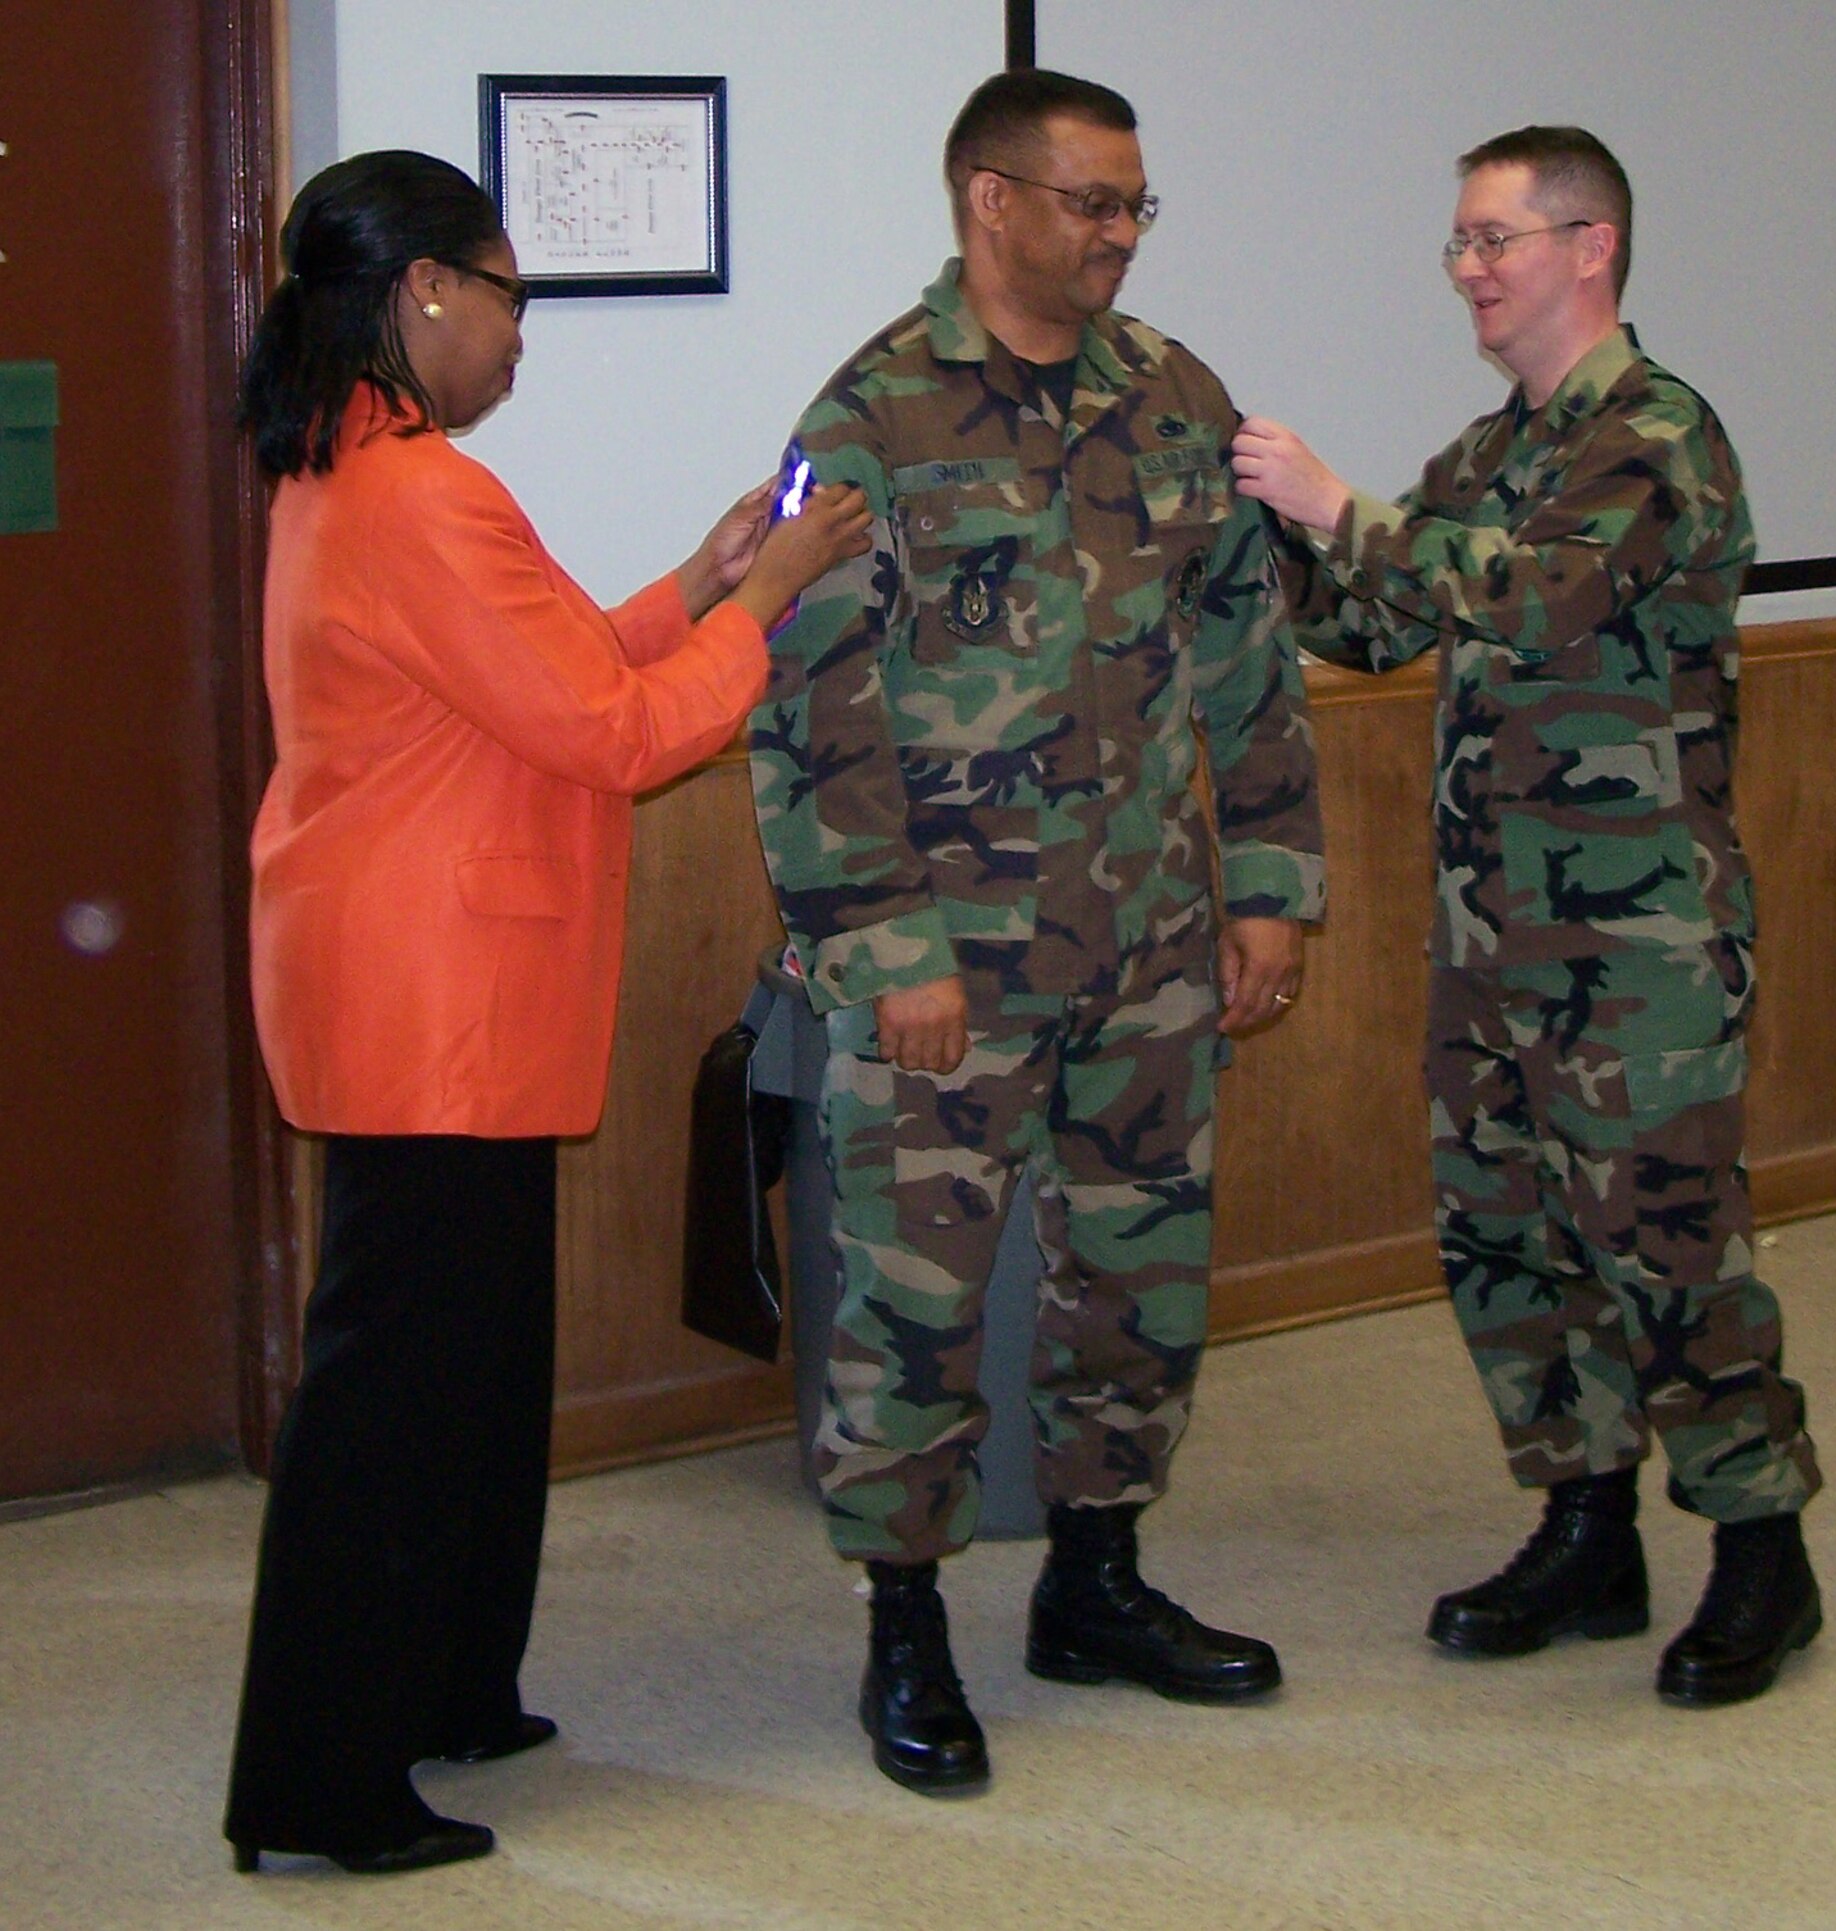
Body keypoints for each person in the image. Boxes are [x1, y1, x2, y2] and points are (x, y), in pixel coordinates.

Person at [223, 150, 869, 1875]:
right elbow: (618, 736)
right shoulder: (419, 492)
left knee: (476, 1372)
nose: (521, 332)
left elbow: (555, 668)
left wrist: (702, 574)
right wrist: (775, 595)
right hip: (427, 999)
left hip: (439, 991)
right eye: (509, 293)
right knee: (394, 1396)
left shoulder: (359, 475)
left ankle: (451, 1689)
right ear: (425, 291)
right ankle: (317, 1780)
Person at [749, 70, 1325, 1795]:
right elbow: (807, 703)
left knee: (1138, 1285)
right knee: (913, 1311)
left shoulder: (1174, 399)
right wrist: (885, 948)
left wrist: (1275, 887)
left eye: (1138, 206)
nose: (1121, 237)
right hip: (953, 967)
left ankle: (1098, 1583)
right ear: (990, 203)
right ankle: (905, 1624)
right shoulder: (865, 422)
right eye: (1093, 203)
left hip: (1150, 940)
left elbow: (1246, 661)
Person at [1233, 126, 1823, 1707]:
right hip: (1493, 935)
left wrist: (1335, 495)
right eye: (1461, 246)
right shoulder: (1495, 453)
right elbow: (1372, 621)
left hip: (1639, 949)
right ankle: (1587, 1524)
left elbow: (1533, 594)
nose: (1471, 274)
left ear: (1592, 247)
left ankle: (1763, 1548)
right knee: (1512, 1238)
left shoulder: (1655, 435)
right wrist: (1251, 543)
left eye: (1497, 240)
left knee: (1668, 1243)